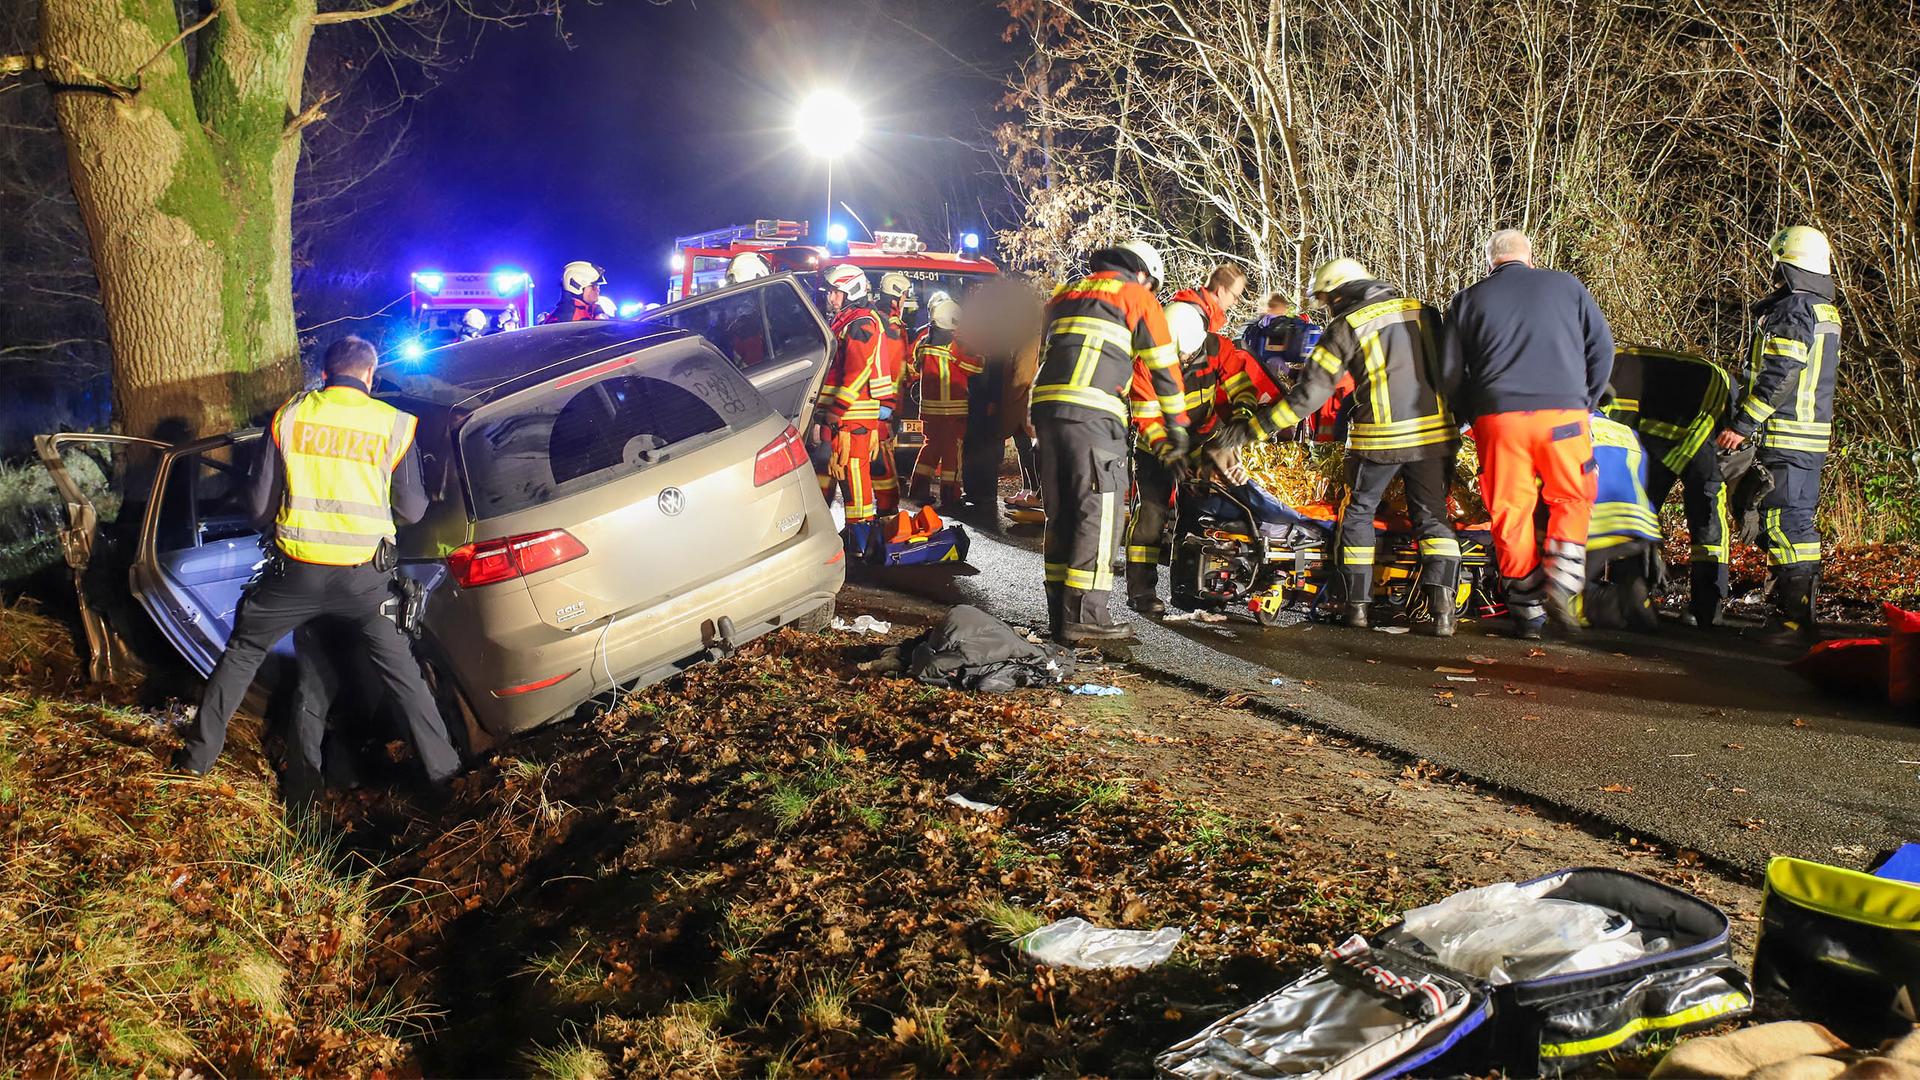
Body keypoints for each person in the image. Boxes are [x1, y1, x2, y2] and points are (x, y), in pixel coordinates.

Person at [172, 336, 462, 793]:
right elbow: (411, 509)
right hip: (364, 581)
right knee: (403, 673)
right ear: (369, 375)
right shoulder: (394, 424)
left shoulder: (291, 416)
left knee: (243, 654)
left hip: (295, 577)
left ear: (325, 374)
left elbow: (258, 507)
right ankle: (446, 777)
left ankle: (196, 762)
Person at [1217, 258, 1462, 634]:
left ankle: (1357, 608)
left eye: (1327, 299)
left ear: (1339, 293)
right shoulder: (1424, 312)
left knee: (1359, 513)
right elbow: (1454, 371)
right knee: (1432, 518)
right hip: (1434, 437)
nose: (1328, 307)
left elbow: (1309, 397)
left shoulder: (1347, 325)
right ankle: (1444, 613)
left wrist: (1249, 431)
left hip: (1380, 441)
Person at [1445, 229, 1614, 638]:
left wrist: (1468, 416)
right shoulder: (1567, 286)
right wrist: (1586, 402)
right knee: (1572, 495)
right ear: (1531, 256)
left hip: (1499, 419)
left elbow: (1450, 371)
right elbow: (1603, 348)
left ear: (1490, 262)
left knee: (1511, 509)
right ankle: (1562, 576)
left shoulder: (1467, 300)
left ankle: (1527, 610)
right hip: (1563, 414)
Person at [1030, 239, 1188, 644]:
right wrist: (1179, 430)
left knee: (1061, 513)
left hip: (1047, 412)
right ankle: (1087, 615)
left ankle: (1060, 614)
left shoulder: (1064, 294)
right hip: (1094, 417)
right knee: (1098, 515)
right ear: (1143, 274)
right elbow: (1164, 371)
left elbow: (1049, 352)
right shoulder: (1136, 296)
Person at [1714, 226, 1842, 644]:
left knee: (1784, 522)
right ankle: (1795, 614)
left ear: (1787, 264)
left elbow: (1781, 372)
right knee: (1797, 523)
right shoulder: (1824, 309)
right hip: (1808, 437)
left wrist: (1742, 424)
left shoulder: (1794, 309)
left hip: (1785, 436)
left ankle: (1793, 620)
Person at [1125, 299, 1281, 615]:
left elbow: (1242, 389)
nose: (1178, 359)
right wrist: (1170, 453)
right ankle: (1141, 593)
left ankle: (1187, 590)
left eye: (1183, 354)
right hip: (1155, 447)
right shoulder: (1145, 362)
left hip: (1203, 440)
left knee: (1196, 513)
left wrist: (1240, 423)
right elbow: (1147, 421)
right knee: (1152, 517)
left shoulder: (1216, 348)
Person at [1606, 346, 1733, 627]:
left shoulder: (1611, 375)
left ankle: (1703, 606)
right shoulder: (1614, 366)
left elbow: (1616, 444)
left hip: (1704, 407)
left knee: (1703, 506)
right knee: (1699, 506)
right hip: (1683, 410)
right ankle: (1698, 607)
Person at [812, 264, 892, 556]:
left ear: (851, 292)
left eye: (835, 292)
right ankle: (854, 535)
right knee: (841, 472)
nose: (831, 298)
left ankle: (861, 542)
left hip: (853, 414)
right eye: (831, 292)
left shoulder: (861, 322)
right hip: (844, 414)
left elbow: (858, 370)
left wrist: (838, 408)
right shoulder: (847, 320)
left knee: (855, 474)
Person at [1580, 408, 1663, 632]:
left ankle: (1602, 605)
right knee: (1629, 570)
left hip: (1598, 524)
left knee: (1569, 584)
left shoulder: (1572, 426)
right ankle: (1642, 614)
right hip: (1639, 523)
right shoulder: (1625, 430)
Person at [909, 297, 980, 508]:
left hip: (929, 411)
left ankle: (918, 490)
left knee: (929, 448)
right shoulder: (954, 346)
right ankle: (951, 496)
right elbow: (975, 367)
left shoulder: (923, 343)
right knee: (952, 453)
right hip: (953, 410)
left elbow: (913, 365)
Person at [871, 272, 915, 517]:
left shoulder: (884, 320)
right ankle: (886, 509)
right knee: (880, 455)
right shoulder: (889, 325)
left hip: (887, 402)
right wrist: (885, 406)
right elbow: (886, 368)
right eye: (906, 294)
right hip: (883, 404)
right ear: (899, 294)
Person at [1242, 293, 1320, 383]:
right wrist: (1292, 373)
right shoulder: (1280, 325)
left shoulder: (1256, 326)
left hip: (1254, 357)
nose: (1283, 315)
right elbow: (1276, 363)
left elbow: (1275, 362)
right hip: (1260, 359)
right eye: (1281, 313)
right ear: (1270, 308)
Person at [540, 261, 607, 323]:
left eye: (598, 286)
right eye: (593, 286)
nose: (598, 290)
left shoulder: (591, 310)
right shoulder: (567, 317)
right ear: (577, 286)